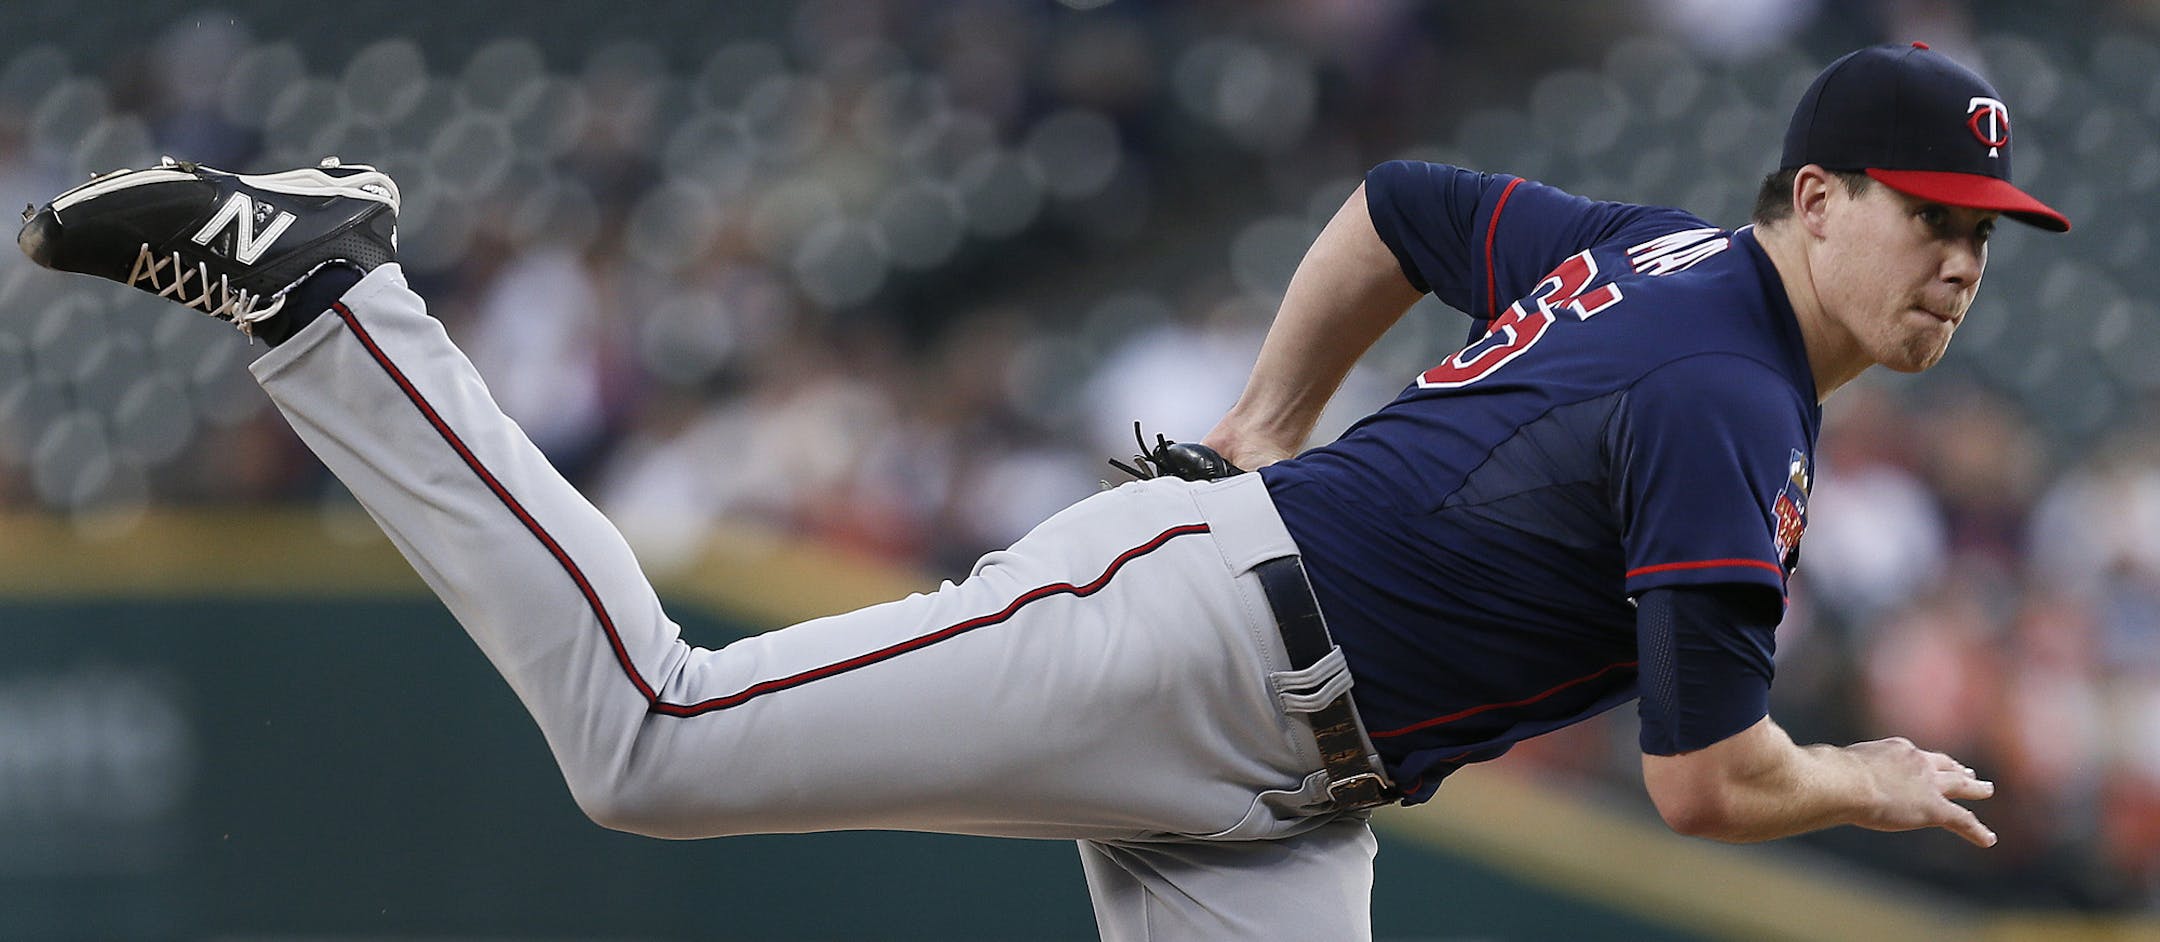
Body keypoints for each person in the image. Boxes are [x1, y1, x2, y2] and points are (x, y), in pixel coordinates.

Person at [16, 41, 2066, 939]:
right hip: (1196, 640)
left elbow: (1406, 203)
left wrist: (1278, 401)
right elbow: (1707, 790)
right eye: (1932, 216)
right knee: (643, 738)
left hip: (1286, 797)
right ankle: (335, 298)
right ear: (1816, 196)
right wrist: (1854, 782)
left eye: (1990, 233)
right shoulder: (1735, 392)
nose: (1962, 262)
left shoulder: (1676, 264)